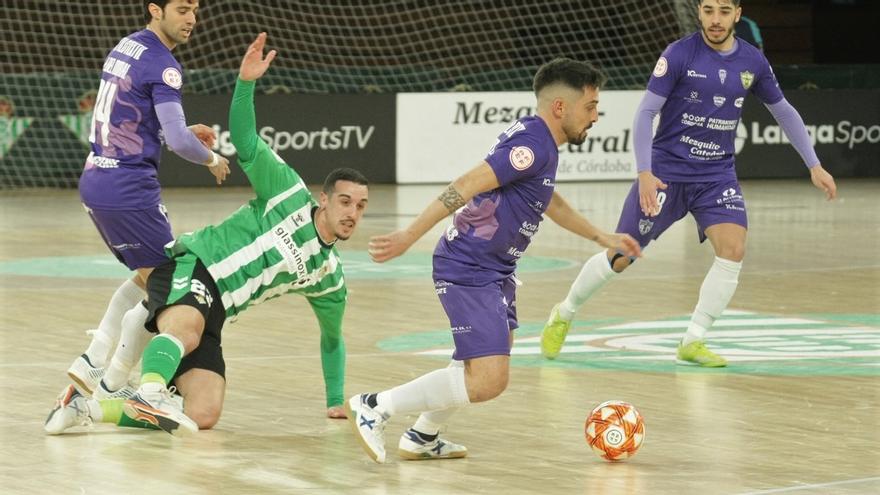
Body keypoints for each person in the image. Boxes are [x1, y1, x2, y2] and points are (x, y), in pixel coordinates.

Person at [45, 33, 369, 436]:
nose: (352, 213)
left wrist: (335, 399)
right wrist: (246, 82)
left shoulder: (329, 274)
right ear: (324, 199)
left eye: (360, 206)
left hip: (220, 312)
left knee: (203, 414)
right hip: (198, 266)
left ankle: (90, 410)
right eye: (345, 202)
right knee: (180, 325)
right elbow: (247, 140)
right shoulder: (287, 190)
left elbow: (332, 338)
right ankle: (137, 386)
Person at [346, 58, 641, 463]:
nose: (595, 116)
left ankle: (423, 435)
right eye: (589, 106)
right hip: (468, 266)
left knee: (480, 358)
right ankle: (375, 405)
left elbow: (547, 198)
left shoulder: (542, 141)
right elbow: (466, 185)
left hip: (495, 267)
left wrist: (600, 235)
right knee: (488, 381)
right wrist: (408, 236)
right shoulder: (532, 145)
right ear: (560, 107)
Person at [540, 0, 837, 367]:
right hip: (666, 175)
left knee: (733, 250)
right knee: (621, 256)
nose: (716, 19)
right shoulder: (678, 55)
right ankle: (565, 313)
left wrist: (814, 164)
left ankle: (693, 340)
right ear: (699, 12)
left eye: (724, 11)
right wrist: (645, 173)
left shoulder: (753, 61)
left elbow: (784, 111)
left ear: (737, 14)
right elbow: (647, 111)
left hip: (716, 176)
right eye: (709, 10)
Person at [68, 0, 231, 402]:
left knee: (147, 277)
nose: (191, 18)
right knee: (168, 286)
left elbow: (130, 124)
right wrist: (211, 158)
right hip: (128, 188)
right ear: (155, 9)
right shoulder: (163, 64)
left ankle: (94, 362)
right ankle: (112, 380)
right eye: (181, 9)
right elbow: (178, 142)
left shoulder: (126, 46)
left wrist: (176, 130)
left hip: (96, 180)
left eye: (194, 8)